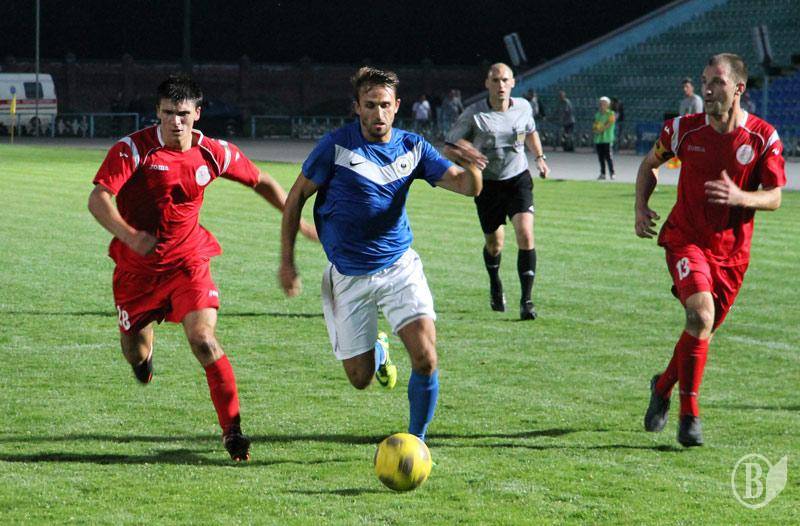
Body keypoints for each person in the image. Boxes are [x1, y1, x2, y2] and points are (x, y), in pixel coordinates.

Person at [88, 74, 317, 462]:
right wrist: (129, 236)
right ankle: (144, 359)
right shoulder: (133, 150)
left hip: (188, 264)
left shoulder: (213, 152)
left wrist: (298, 222)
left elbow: (261, 180)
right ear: (157, 112)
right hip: (137, 271)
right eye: (167, 113)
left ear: (197, 113)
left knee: (204, 340)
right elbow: (99, 198)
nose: (175, 122)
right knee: (135, 354)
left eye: (182, 114)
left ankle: (232, 431)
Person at [279, 67, 482, 443]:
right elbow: (295, 200)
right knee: (360, 379)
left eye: (385, 105)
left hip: (399, 267)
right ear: (357, 107)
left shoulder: (413, 147)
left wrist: (471, 162)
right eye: (370, 105)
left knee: (426, 357)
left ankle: (417, 441)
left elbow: (467, 186)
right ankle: (378, 350)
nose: (378, 113)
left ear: (397, 106)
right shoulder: (335, 147)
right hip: (349, 275)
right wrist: (287, 262)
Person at [635, 54, 785, 447]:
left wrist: (742, 197)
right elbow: (649, 164)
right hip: (685, 239)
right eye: (705, 81)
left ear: (738, 89)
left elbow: (774, 196)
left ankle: (662, 387)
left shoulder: (762, 137)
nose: (708, 89)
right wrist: (640, 207)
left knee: (701, 331)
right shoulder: (682, 130)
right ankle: (690, 417)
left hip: (733, 254)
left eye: (717, 82)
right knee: (701, 315)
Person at [444, 63, 550, 320]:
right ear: (487, 84)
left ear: (512, 83)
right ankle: (495, 283)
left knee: (526, 233)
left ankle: (526, 301)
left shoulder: (524, 107)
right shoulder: (474, 114)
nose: (500, 85)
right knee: (495, 245)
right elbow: (448, 147)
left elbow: (531, 132)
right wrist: (466, 155)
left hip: (518, 179)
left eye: (505, 80)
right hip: (488, 185)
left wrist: (539, 157)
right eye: (495, 80)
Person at [593, 96, 616, 180]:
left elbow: (609, 124)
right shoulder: (597, 115)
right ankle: (602, 173)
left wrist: (600, 129)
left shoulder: (611, 114)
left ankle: (612, 173)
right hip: (599, 139)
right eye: (600, 104)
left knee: (608, 157)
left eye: (603, 104)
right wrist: (596, 130)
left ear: (607, 105)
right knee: (601, 157)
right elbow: (595, 125)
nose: (601, 105)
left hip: (607, 138)